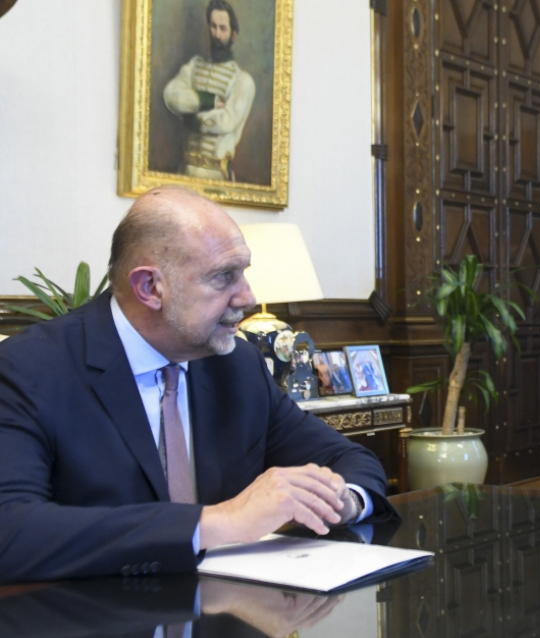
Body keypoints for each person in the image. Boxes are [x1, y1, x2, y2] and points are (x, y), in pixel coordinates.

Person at [0, 187, 398, 583]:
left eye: (243, 272)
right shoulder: (30, 370)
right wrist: (221, 521)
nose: (248, 296)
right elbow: (11, 530)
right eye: (224, 276)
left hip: (227, 606)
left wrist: (340, 502)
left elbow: (350, 459)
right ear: (149, 287)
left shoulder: (238, 364)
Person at [163, 0, 255, 181]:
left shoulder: (243, 81)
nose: (216, 34)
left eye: (223, 28)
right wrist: (207, 100)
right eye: (213, 27)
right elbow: (171, 96)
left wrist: (194, 121)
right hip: (185, 173)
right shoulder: (194, 66)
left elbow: (227, 120)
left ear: (233, 35)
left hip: (216, 176)